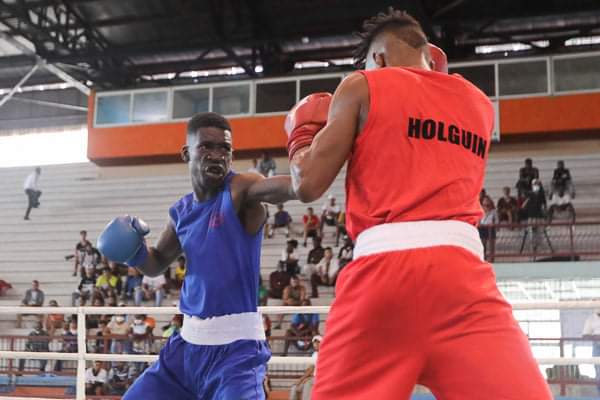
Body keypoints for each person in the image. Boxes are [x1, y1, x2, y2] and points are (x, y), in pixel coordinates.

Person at [283, 8, 551, 399]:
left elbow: (306, 184)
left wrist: (302, 137)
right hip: (463, 282)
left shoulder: (361, 85)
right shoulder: (479, 104)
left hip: (382, 279)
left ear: (378, 58)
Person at [97, 112, 296, 399]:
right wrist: (135, 252)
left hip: (236, 353)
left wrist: (306, 162)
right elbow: (155, 264)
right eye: (206, 147)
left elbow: (288, 187)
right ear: (186, 152)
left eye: (224, 149)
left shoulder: (240, 188)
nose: (216, 155)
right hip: (186, 349)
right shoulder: (181, 213)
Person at [289, 335, 321, 400]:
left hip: (320, 378)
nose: (316, 344)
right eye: (315, 342)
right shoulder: (314, 354)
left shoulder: (324, 353)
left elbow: (312, 369)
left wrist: (302, 380)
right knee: (294, 387)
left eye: (318, 342)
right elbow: (310, 369)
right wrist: (302, 379)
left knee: (307, 384)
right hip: (312, 378)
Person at [582, 309, 600, 393]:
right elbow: (585, 335)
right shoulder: (591, 319)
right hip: (597, 346)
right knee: (598, 373)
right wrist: (595, 337)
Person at [479, 197, 498, 262]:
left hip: (491, 229)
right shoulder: (480, 210)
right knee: (482, 245)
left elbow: (497, 221)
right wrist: (479, 224)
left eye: (487, 204)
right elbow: (478, 220)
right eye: (484, 204)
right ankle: (483, 259)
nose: (486, 206)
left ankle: (492, 259)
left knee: (491, 246)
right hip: (482, 228)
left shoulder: (494, 211)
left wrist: (494, 224)